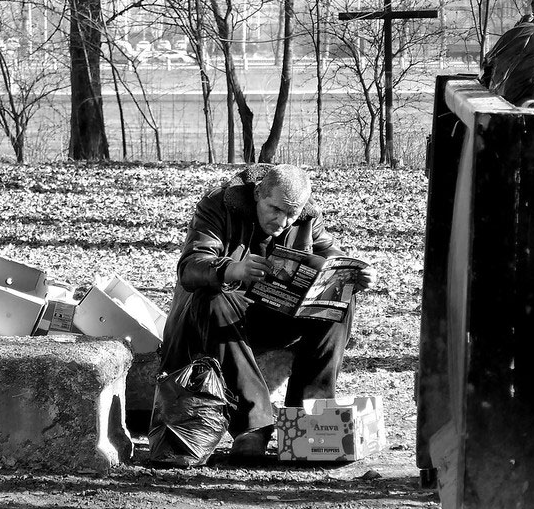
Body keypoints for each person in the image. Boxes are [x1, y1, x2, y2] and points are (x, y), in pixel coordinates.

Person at [159, 164, 377, 457]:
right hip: (217, 317)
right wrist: (233, 269)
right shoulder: (219, 204)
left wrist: (353, 273)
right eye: (274, 209)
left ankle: (308, 421)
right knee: (213, 297)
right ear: (258, 193)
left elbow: (330, 254)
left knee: (341, 297)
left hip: (274, 314)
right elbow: (190, 267)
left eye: (291, 214)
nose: (283, 221)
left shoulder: (308, 218)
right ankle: (253, 426)